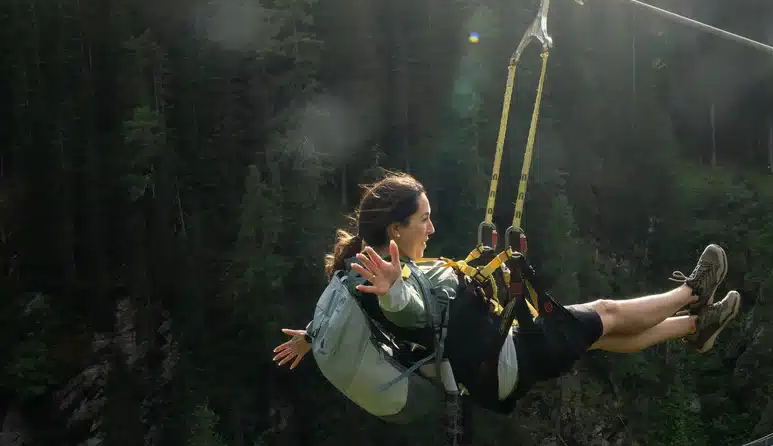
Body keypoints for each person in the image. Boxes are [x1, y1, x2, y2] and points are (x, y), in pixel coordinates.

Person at [272, 171, 740, 413]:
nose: (432, 227)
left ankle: (697, 327)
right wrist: (395, 292)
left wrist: (314, 335)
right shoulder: (388, 278)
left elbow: (346, 297)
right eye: (423, 220)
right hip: (504, 358)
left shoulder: (361, 267)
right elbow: (407, 311)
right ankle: (693, 293)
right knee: (607, 312)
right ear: (395, 227)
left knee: (596, 334)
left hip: (491, 366)